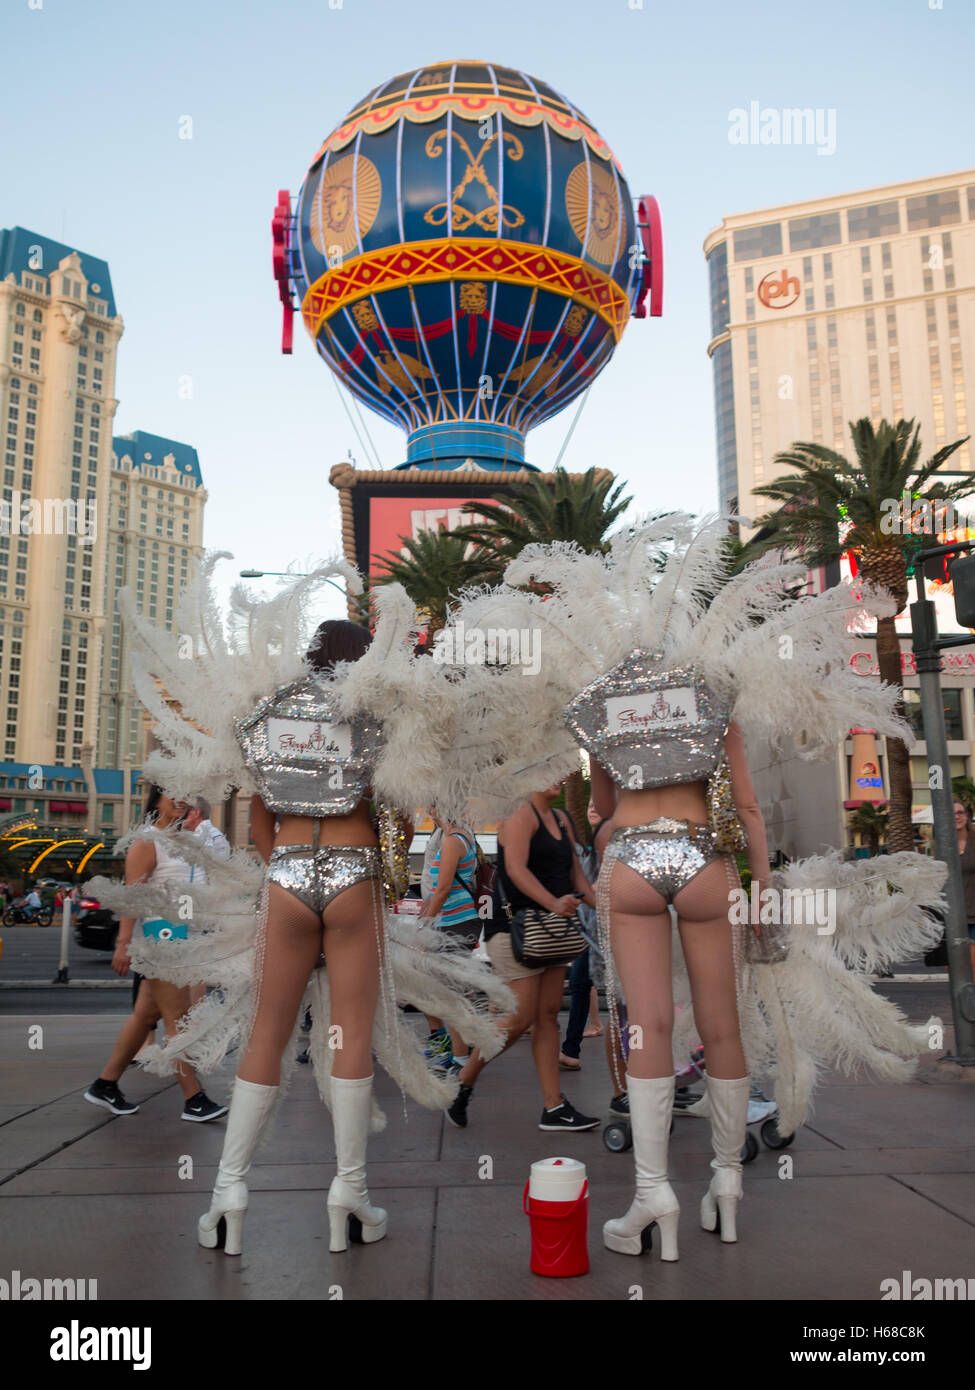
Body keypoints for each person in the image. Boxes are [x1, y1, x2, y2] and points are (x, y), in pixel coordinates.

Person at [447, 785, 599, 1132]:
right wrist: (553, 902)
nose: (558, 777)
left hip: (549, 929)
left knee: (547, 1016)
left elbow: (576, 874)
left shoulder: (561, 819)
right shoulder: (519, 814)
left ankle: (554, 1107)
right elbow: (515, 869)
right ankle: (464, 1081)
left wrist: (607, 906)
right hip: (513, 929)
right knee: (520, 1017)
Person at [84, 786, 228, 1123]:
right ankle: (195, 1099)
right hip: (161, 936)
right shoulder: (147, 841)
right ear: (156, 800)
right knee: (178, 1018)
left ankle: (105, 1085)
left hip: (184, 936)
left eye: (185, 794)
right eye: (171, 794)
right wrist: (122, 945)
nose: (180, 800)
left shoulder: (186, 840)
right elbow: (131, 899)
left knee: (146, 1016)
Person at [419, 811, 479, 1071]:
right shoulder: (460, 836)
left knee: (449, 992)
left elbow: (443, 888)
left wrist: (427, 923)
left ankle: (460, 1058)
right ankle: (462, 1052)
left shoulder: (452, 840)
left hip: (454, 922)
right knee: (451, 989)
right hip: (457, 921)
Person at [953, 800, 975, 975]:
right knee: (955, 970)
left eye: (960, 812)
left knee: (973, 966)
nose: (957, 816)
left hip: (974, 911)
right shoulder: (942, 844)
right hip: (954, 915)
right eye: (952, 813)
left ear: (967, 816)